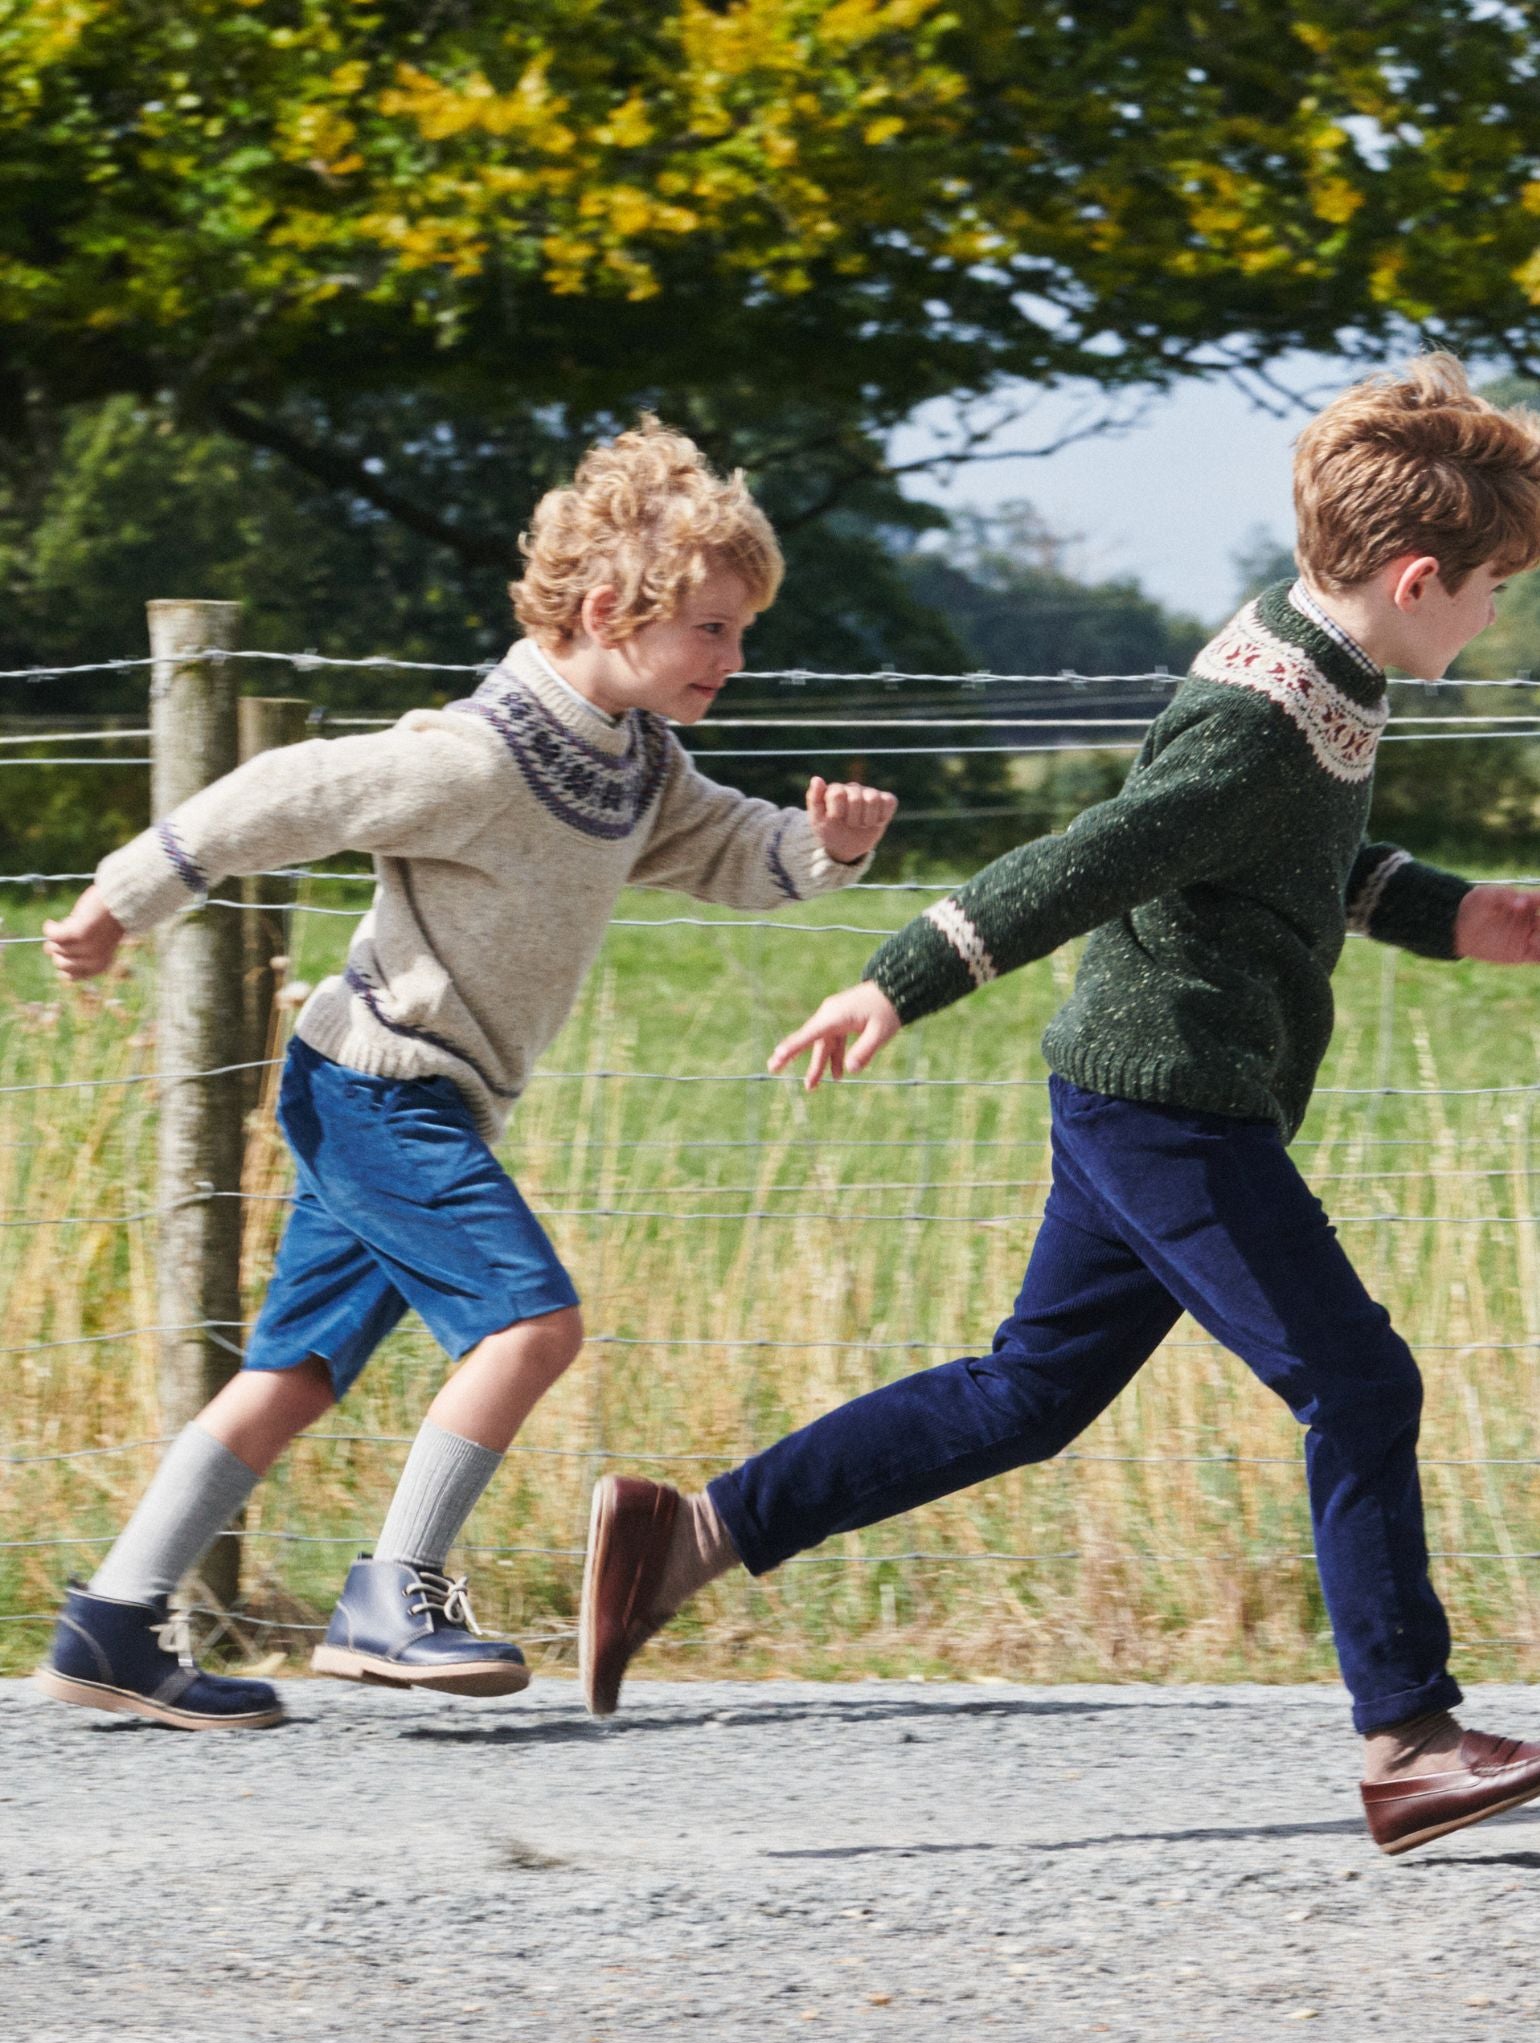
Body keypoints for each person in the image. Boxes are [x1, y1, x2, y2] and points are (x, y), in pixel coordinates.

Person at [581, 356, 1540, 1856]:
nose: (1493, 619)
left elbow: (1298, 862)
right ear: (1418, 576)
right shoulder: (1262, 712)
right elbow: (1096, 858)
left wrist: (1473, 913)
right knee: (1359, 1381)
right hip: (1172, 1108)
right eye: (1491, 590)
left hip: (1143, 1094)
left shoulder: (1324, 669)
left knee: (1029, 1392)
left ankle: (684, 1533)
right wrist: (894, 979)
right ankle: (1408, 1736)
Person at [34, 419, 896, 1731]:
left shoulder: (633, 760)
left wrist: (826, 848)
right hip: (379, 1083)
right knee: (531, 1323)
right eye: (714, 631)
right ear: (611, 610)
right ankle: (396, 1590)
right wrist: (121, 899)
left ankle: (113, 1619)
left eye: (740, 631)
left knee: (295, 1373)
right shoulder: (481, 755)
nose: (734, 655)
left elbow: (733, 850)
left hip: (407, 1093)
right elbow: (286, 792)